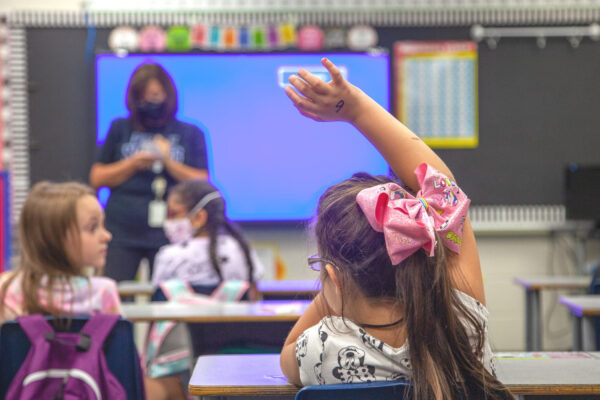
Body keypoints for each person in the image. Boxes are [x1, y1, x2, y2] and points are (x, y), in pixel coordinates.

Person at [279, 59, 513, 399]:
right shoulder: (465, 326)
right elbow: (442, 187)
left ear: (336, 277)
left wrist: (337, 289)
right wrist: (356, 108)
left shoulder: (321, 348)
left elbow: (287, 351)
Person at [0, 182, 185, 400]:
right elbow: (122, 370)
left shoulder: (7, 288)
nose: (106, 236)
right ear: (55, 238)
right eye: (92, 228)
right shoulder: (103, 291)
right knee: (176, 387)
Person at [89, 63, 209, 282]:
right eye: (143, 97)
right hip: (122, 229)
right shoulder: (119, 128)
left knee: (168, 297)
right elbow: (97, 177)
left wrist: (168, 162)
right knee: (117, 293)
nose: (150, 103)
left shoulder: (190, 132)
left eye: (155, 95)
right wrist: (133, 163)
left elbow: (203, 181)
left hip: (171, 231)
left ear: (168, 94)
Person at [152, 179, 264, 299]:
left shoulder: (168, 256)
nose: (168, 222)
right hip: (232, 318)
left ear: (199, 217)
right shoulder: (242, 251)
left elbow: (158, 301)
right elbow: (253, 299)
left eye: (173, 214)